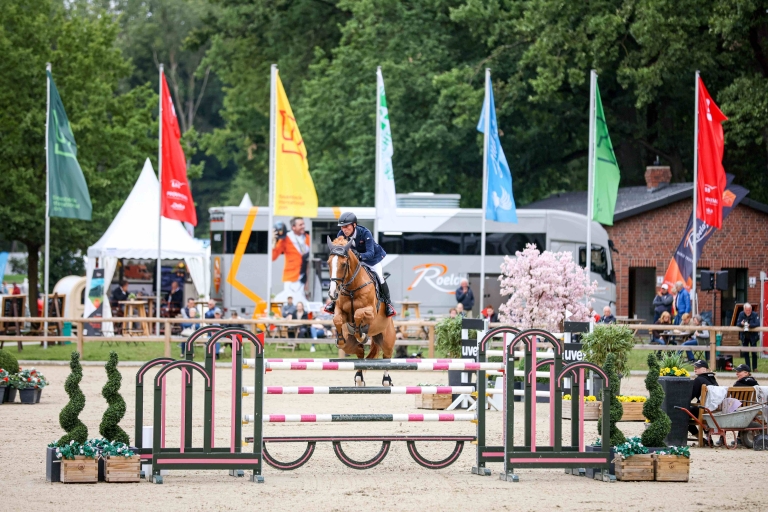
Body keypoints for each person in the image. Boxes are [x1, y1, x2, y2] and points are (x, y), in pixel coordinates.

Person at [323, 212, 396, 317]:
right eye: (342, 227)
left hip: (372, 259)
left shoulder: (365, 233)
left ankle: (388, 303)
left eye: (346, 227)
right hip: (355, 260)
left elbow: (370, 253)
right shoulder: (341, 235)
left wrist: (359, 256)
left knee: (380, 277)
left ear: (354, 225)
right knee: (343, 276)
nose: (344, 230)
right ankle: (335, 302)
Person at [272, 217, 310, 305]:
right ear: (293, 227)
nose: (303, 226)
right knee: (289, 303)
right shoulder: (285, 239)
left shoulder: (308, 238)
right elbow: (273, 257)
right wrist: (273, 241)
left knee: (303, 303)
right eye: (300, 225)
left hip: (305, 278)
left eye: (303, 224)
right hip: (291, 277)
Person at [687, 360, 719, 440]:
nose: (695, 369)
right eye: (694, 367)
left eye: (698, 367)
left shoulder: (699, 380)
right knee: (699, 407)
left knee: (682, 413)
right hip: (715, 410)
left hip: (704, 410)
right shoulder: (713, 379)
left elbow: (690, 396)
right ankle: (708, 437)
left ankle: (699, 436)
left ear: (704, 369)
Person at [736, 303, 760, 373]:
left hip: (753, 336)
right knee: (745, 353)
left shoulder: (755, 314)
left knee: (754, 352)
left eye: (749, 310)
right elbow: (737, 324)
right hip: (744, 336)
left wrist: (750, 325)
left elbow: (757, 324)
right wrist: (741, 324)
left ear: (751, 309)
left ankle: (755, 368)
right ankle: (748, 368)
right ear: (744, 309)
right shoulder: (741, 314)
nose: (748, 311)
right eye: (747, 310)